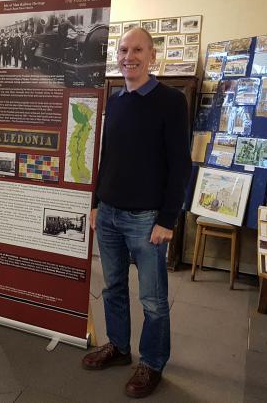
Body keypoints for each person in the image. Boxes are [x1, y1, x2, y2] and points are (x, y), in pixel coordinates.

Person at [81, 27, 192, 398]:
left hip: (147, 219)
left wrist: (167, 220)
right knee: (112, 287)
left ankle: (152, 362)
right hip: (110, 212)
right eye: (124, 50)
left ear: (152, 55)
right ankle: (119, 347)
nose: (130, 56)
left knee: (152, 299)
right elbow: (106, 157)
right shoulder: (115, 100)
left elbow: (180, 166)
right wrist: (96, 203)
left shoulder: (171, 101)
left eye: (138, 50)